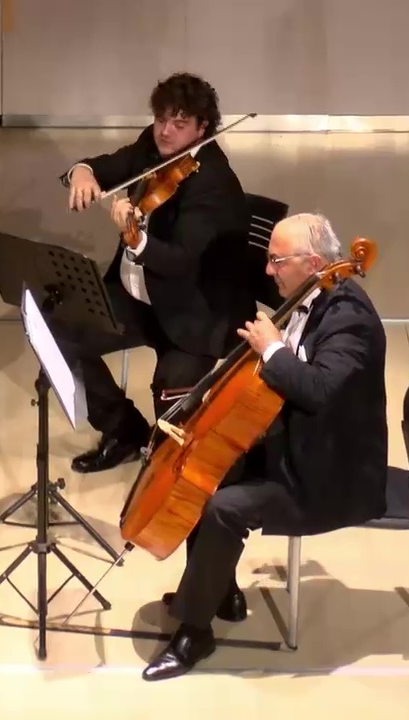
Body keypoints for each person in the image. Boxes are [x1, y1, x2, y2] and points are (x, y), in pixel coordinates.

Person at [142, 213, 389, 681]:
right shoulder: (312, 294)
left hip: (328, 476)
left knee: (223, 506)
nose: (269, 271)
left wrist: (273, 349)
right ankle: (220, 591)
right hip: (298, 445)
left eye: (277, 262)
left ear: (313, 262)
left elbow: (317, 390)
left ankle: (196, 632)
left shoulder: (350, 319)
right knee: (204, 471)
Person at [58, 72, 254, 474]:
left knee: (171, 402)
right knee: (61, 332)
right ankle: (124, 431)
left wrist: (134, 238)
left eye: (179, 125)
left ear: (203, 128)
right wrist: (82, 171)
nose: (165, 131)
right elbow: (108, 166)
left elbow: (179, 260)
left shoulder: (213, 184)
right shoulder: (153, 146)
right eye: (161, 119)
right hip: (141, 297)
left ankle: (172, 466)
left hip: (193, 314)